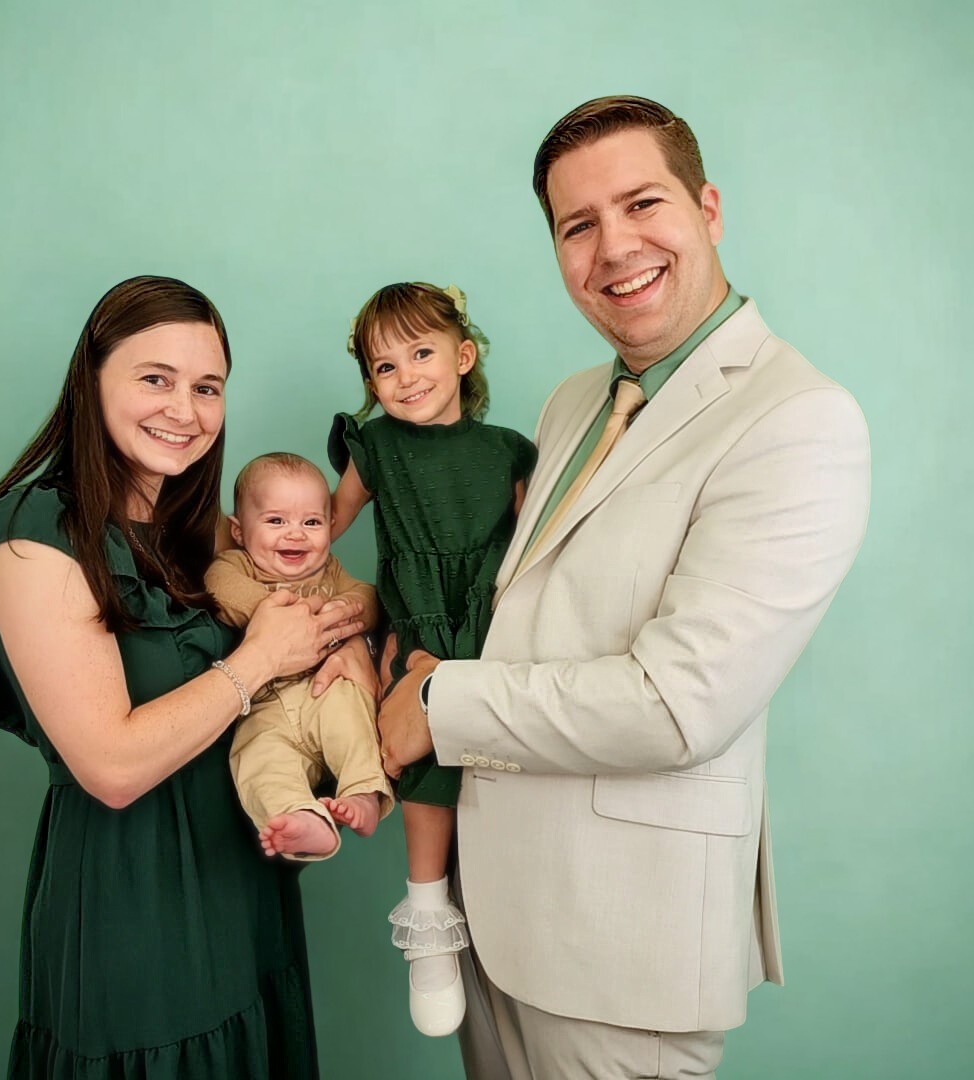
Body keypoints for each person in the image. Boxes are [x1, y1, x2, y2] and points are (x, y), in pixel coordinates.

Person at [376, 97, 872, 1079]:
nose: (614, 248)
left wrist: (437, 703)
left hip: (624, 948)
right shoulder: (573, 400)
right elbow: (517, 610)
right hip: (494, 916)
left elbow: (678, 704)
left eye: (643, 203)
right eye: (578, 225)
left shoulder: (799, 418)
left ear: (708, 209)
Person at [0, 275, 375, 1079]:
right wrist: (261, 659)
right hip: (135, 906)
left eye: (207, 387)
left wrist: (349, 629)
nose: (185, 410)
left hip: (244, 887)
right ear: (92, 378)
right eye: (156, 378)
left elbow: (313, 595)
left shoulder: (196, 533)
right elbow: (112, 765)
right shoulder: (29, 535)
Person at [328, 283, 537, 1037]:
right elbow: (322, 523)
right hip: (418, 623)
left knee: (506, 761)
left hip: (495, 622)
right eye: (385, 367)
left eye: (422, 353)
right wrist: (251, 536)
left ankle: (512, 908)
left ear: (464, 356)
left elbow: (543, 552)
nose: (407, 376)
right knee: (421, 755)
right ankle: (427, 914)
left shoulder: (508, 450)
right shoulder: (377, 448)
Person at [205, 451, 393, 860]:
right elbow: (220, 589)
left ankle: (364, 792)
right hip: (265, 705)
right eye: (276, 521)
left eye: (312, 522)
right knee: (258, 758)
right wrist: (284, 617)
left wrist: (350, 609)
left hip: (324, 688)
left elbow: (367, 596)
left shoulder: (330, 571)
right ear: (238, 531)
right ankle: (301, 817)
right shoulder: (236, 565)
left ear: (330, 525)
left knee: (352, 715)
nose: (295, 535)